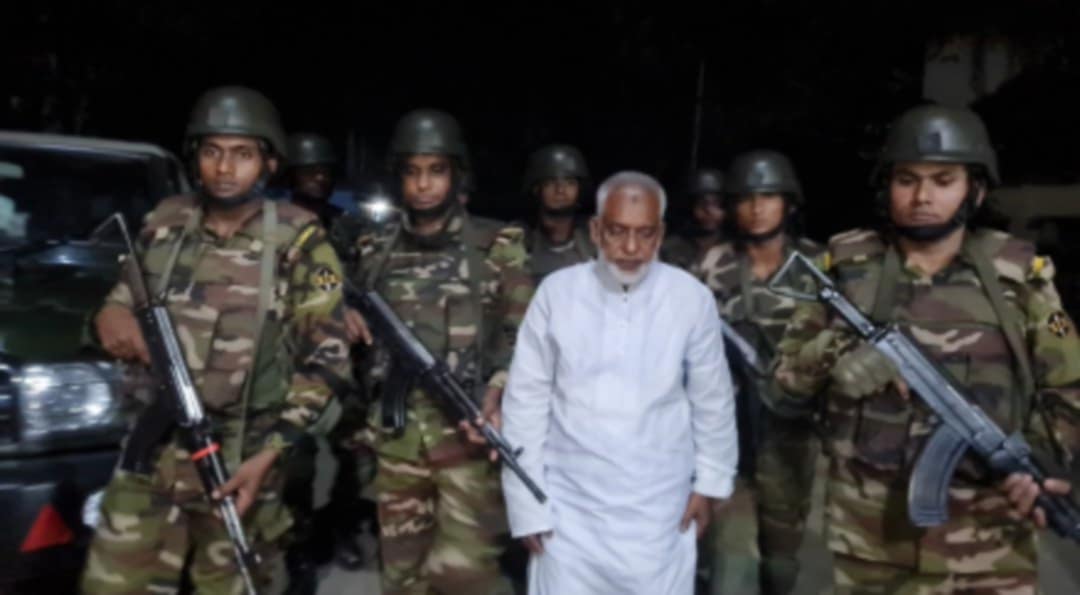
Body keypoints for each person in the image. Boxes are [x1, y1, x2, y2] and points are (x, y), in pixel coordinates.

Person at [772, 104, 1080, 594]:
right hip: (870, 542)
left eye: (943, 180)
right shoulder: (845, 267)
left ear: (975, 189)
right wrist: (837, 352)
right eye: (907, 180)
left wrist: (1039, 460)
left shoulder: (1020, 277)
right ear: (887, 187)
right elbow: (782, 387)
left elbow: (1068, 389)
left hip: (990, 544)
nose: (922, 197)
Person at [80, 85, 350, 594]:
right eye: (212, 152)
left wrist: (270, 456)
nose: (225, 168)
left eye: (242, 154)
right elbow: (120, 299)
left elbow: (328, 361)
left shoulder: (299, 239)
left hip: (240, 462)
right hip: (150, 458)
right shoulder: (165, 222)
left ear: (269, 163)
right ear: (195, 157)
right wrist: (110, 317)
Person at [499, 170, 738, 594]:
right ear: (595, 230)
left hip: (660, 511)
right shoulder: (557, 294)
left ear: (660, 234)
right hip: (569, 512)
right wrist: (526, 503)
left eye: (645, 234)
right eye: (617, 231)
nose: (631, 248)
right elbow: (525, 403)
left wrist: (710, 484)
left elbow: (712, 400)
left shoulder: (690, 298)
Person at [331, 108, 534, 594]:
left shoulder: (497, 244)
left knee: (467, 576)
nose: (423, 184)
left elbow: (523, 330)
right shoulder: (372, 245)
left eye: (436, 171)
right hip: (395, 440)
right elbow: (315, 277)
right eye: (413, 171)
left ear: (456, 174)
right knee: (403, 576)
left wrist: (499, 388)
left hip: (468, 438)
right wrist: (337, 307)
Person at [695, 150, 821, 595]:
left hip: (791, 432)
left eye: (768, 197)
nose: (756, 208)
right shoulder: (715, 263)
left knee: (781, 563)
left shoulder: (818, 265)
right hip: (731, 429)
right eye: (746, 198)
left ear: (788, 203)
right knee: (733, 561)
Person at [520, 144, 595, 283]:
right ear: (537, 189)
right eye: (550, 182)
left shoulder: (595, 240)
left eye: (570, 183)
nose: (560, 190)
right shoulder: (518, 240)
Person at [661, 168, 727, 271]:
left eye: (716, 204)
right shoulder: (669, 248)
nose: (709, 211)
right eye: (702, 203)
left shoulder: (737, 248)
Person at [286, 132, 342, 228]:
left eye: (326, 171)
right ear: (292, 175)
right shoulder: (276, 217)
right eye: (310, 171)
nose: (321, 178)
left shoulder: (340, 218)